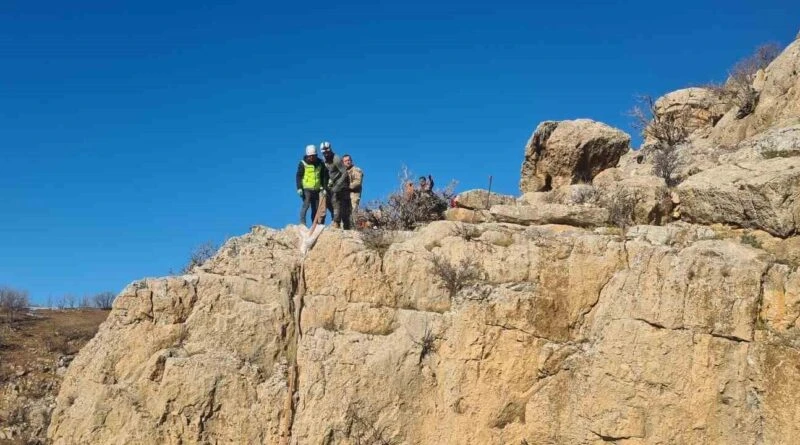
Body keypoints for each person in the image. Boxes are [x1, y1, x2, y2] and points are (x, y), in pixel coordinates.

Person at [320, 141, 352, 229]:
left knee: (335, 200)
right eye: (324, 153)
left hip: (339, 183)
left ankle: (336, 222)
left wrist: (338, 185)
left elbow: (344, 173)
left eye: (327, 152)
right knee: (326, 202)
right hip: (329, 184)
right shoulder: (323, 160)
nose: (326, 154)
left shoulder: (336, 159)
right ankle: (323, 223)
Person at [295, 144, 328, 226]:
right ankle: (302, 223)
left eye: (314, 156)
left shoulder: (320, 163)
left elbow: (324, 176)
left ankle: (315, 224)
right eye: (310, 156)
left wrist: (324, 188)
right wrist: (299, 188)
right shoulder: (303, 163)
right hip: (306, 188)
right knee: (306, 205)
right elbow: (298, 176)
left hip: (317, 189)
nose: (312, 158)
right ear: (307, 156)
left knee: (316, 208)